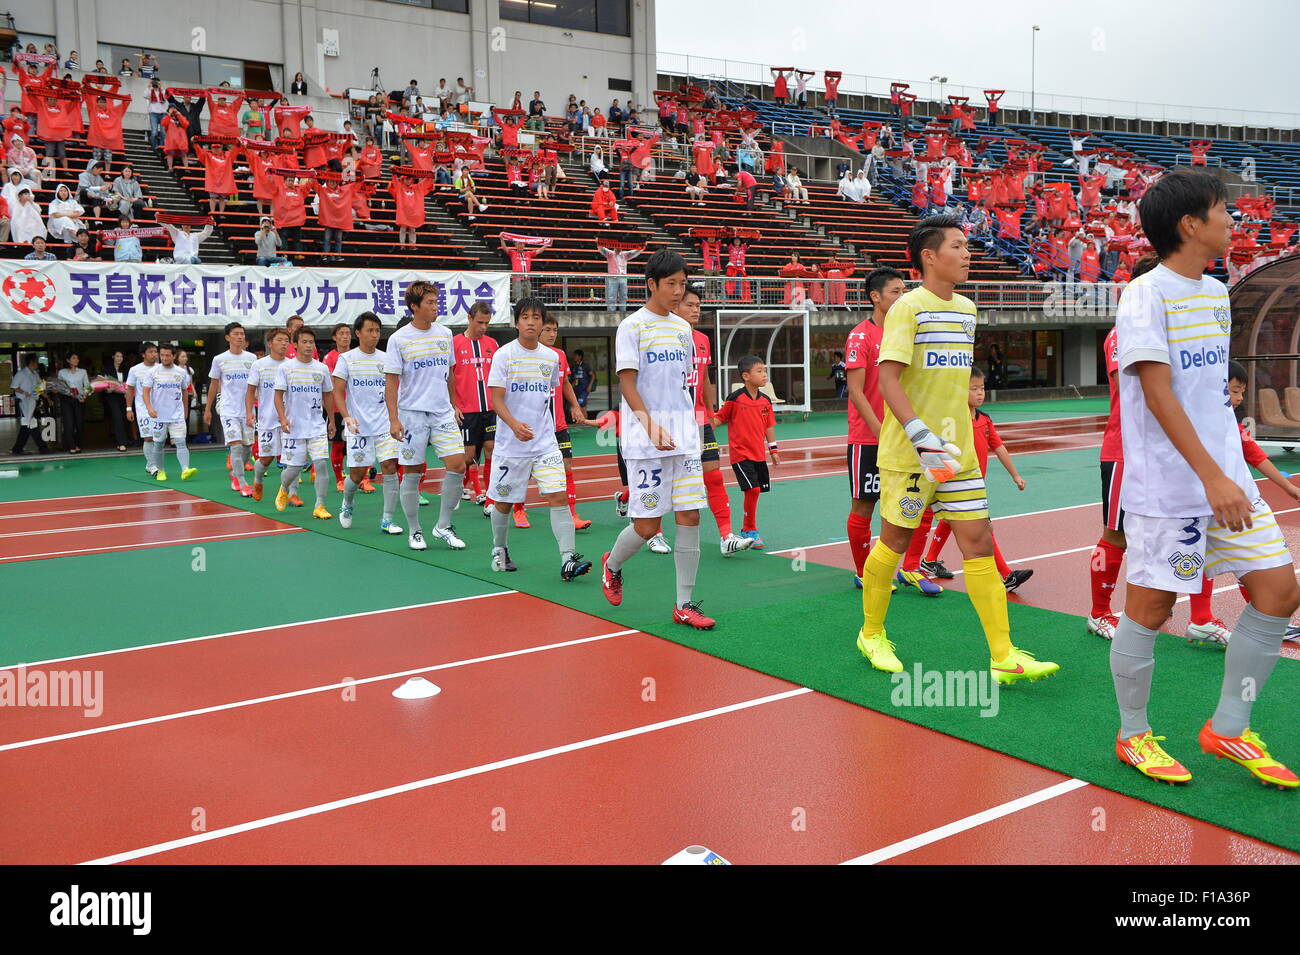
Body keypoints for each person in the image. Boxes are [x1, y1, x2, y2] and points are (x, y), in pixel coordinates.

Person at [1108, 171, 1298, 788]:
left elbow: (1211, 396)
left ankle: (1228, 727)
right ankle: (1133, 733)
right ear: (1190, 224)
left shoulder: (1216, 292)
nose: (1232, 220)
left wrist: (1232, 470)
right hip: (1171, 490)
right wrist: (1212, 475)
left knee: (1278, 591)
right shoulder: (1144, 295)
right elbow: (1159, 395)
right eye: (1223, 211)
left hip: (1226, 481)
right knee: (1151, 609)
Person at [855, 214, 1059, 683]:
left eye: (968, 246)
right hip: (912, 453)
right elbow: (887, 380)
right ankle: (871, 632)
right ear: (930, 256)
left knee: (978, 542)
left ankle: (1003, 655)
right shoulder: (908, 308)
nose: (968, 253)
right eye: (958, 246)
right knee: (895, 541)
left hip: (959, 455)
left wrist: (951, 440)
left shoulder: (967, 309)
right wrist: (921, 436)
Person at [600, 250, 714, 630]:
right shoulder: (631, 327)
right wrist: (649, 425)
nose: (679, 292)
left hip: (683, 438)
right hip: (644, 439)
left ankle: (684, 604)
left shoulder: (684, 330)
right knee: (648, 526)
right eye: (671, 284)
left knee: (690, 515)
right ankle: (612, 564)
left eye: (683, 284)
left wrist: (693, 426)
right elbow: (628, 383)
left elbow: (682, 386)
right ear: (651, 284)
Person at [484, 298, 591, 581]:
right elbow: (495, 399)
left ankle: (568, 559)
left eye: (536, 317)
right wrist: (514, 424)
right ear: (516, 322)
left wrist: (574, 406)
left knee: (558, 496)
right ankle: (499, 548)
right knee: (504, 503)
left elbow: (559, 384)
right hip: (511, 445)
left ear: (543, 323)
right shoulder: (504, 355)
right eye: (525, 317)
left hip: (544, 443)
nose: (531, 322)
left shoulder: (551, 357)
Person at [908, 367, 1035, 591]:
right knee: (982, 525)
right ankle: (1006, 575)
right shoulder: (956, 420)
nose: (980, 393)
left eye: (982, 388)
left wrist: (1015, 475)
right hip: (952, 481)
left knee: (950, 521)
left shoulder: (985, 420)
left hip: (973, 484)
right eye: (973, 389)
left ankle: (928, 561)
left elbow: (999, 447)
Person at [384, 280, 468, 552]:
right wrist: (394, 419)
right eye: (430, 303)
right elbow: (392, 383)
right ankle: (415, 531)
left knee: (458, 464)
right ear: (414, 307)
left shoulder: (445, 334)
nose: (436, 306)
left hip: (442, 412)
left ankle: (443, 526)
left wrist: (453, 403)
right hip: (412, 416)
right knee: (411, 472)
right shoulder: (399, 339)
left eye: (436, 301)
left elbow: (451, 373)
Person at [679, 283, 751, 557]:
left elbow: (706, 379)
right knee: (671, 480)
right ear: (675, 305)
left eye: (698, 306)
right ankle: (654, 533)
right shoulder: (664, 336)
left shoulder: (703, 340)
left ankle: (726, 536)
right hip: (671, 420)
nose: (696, 310)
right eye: (690, 305)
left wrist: (709, 412)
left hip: (698, 418)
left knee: (714, 477)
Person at [844, 268, 904, 588]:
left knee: (898, 507)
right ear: (875, 297)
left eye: (904, 291)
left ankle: (900, 568)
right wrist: (881, 431)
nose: (902, 297)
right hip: (869, 438)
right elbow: (856, 391)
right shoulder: (860, 336)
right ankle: (863, 572)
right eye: (895, 292)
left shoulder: (905, 334)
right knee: (864, 505)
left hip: (901, 436)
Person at [334, 312, 403, 535]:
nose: (374, 335)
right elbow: (337, 391)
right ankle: (347, 502)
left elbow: (395, 390)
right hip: (359, 427)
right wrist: (346, 416)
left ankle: (387, 520)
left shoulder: (386, 359)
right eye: (369, 330)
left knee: (390, 466)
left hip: (385, 424)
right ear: (358, 333)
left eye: (377, 331)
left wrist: (396, 418)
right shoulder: (347, 359)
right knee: (357, 474)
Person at [711, 356, 779, 547]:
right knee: (753, 489)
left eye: (764, 370)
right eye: (759, 371)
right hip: (740, 454)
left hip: (759, 454)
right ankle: (749, 528)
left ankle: (748, 529)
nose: (764, 374)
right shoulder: (735, 399)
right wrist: (705, 427)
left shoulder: (765, 401)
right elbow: (719, 418)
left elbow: (769, 426)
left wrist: (773, 449)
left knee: (755, 492)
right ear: (746, 376)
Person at [273, 326, 336, 519]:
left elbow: (327, 396)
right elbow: (278, 396)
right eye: (304, 342)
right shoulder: (286, 368)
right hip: (293, 427)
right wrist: (283, 418)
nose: (309, 346)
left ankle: (320, 505)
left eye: (311, 342)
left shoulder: (322, 368)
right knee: (294, 469)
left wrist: (331, 420)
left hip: (316, 426)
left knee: (321, 464)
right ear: (295, 344)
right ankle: (284, 488)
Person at [539, 311, 591, 530]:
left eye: (555, 330)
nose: (552, 334)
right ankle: (518, 509)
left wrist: (576, 406)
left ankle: (571, 514)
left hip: (558, 425)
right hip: (535, 428)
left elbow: (566, 383)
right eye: (548, 330)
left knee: (567, 466)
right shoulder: (525, 355)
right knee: (522, 472)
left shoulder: (560, 355)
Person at [452, 301, 499, 508]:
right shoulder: (454, 344)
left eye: (487, 323)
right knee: (468, 457)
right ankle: (457, 488)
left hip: (490, 408)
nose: (483, 327)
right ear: (469, 318)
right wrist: (453, 405)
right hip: (466, 410)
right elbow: (448, 378)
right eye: (480, 322)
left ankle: (490, 497)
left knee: (491, 448)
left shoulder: (492, 344)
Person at [204, 321, 257, 497]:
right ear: (228, 337)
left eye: (242, 333)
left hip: (248, 411)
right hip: (228, 410)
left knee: (247, 447)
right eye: (236, 334)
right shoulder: (219, 360)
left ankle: (235, 473)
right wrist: (208, 409)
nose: (240, 336)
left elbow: (256, 385)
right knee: (235, 446)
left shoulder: (252, 359)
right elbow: (213, 384)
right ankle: (242, 483)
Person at [245, 327, 291, 503]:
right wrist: (250, 412)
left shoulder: (292, 365)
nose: (284, 344)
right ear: (270, 343)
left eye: (286, 340)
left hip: (289, 421)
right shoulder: (259, 365)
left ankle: (290, 493)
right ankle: (257, 481)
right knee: (266, 459)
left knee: (291, 459)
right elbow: (250, 391)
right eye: (279, 340)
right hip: (267, 419)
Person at [141, 344, 196, 482]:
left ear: (174, 356)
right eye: (162, 355)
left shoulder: (181, 372)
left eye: (167, 355)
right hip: (158, 416)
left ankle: (185, 469)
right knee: (158, 444)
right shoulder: (152, 372)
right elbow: (146, 391)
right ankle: (160, 471)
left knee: (181, 442)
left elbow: (184, 391)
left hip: (176, 415)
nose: (164, 358)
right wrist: (149, 408)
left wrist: (185, 410)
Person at [126, 343, 158, 471]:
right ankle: (151, 465)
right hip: (143, 409)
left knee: (158, 438)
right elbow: (130, 390)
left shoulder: (161, 368)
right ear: (143, 354)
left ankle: (152, 463)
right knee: (148, 437)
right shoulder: (135, 370)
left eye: (155, 351)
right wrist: (129, 408)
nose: (154, 354)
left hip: (159, 409)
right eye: (151, 352)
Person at [10, 353, 48, 454]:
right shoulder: (21, 374)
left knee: (26, 426)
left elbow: (39, 388)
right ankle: (43, 448)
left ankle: (17, 449)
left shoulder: (35, 374)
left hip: (33, 403)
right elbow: (14, 387)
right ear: (32, 362)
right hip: (24, 403)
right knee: (32, 424)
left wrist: (46, 397)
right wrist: (24, 393)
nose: (38, 364)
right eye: (36, 361)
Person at [597, 238, 640, 312]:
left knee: (623, 295)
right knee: (612, 295)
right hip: (613, 277)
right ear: (614, 247)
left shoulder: (625, 255)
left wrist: (641, 248)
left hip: (623, 277)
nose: (618, 248)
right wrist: (598, 243)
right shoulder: (610, 254)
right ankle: (611, 311)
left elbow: (634, 252)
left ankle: (623, 311)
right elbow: (602, 250)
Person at [101, 350, 130, 451]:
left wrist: (127, 392)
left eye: (121, 357)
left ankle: (123, 440)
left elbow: (130, 383)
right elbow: (102, 382)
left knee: (124, 418)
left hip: (124, 397)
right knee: (117, 417)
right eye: (117, 356)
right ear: (113, 357)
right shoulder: (107, 369)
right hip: (112, 397)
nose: (119, 359)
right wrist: (107, 388)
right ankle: (121, 443)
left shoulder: (126, 369)